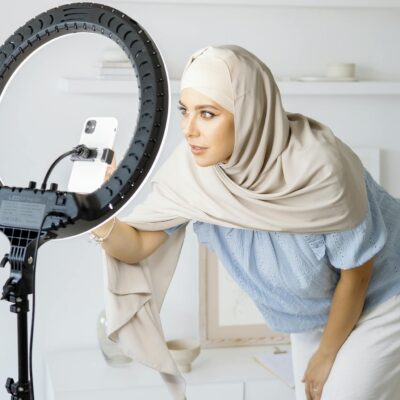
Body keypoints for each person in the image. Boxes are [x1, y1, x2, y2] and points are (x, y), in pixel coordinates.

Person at [90, 45, 400, 400]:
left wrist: (326, 356)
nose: (189, 130)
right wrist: (100, 210)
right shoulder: (194, 172)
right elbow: (137, 246)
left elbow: (358, 273)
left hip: (386, 294)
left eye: (207, 114)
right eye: (185, 111)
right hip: (317, 311)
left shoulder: (321, 169)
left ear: (250, 113)